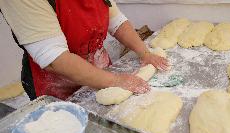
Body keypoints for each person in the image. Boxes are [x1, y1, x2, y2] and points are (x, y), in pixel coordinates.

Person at [0, 0, 169, 100]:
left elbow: (116, 22)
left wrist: (145, 53)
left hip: (98, 64)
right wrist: (116, 81)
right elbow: (53, 57)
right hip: (55, 83)